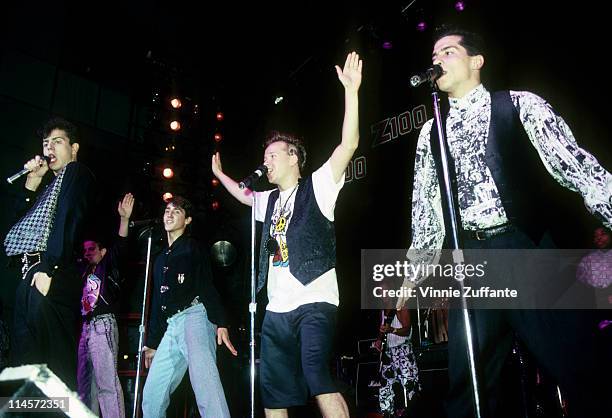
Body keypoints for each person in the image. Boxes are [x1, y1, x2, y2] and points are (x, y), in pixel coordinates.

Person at [406, 26, 612, 418]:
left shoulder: (520, 105)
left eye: (448, 51)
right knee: (467, 385)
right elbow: (425, 209)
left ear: (476, 61)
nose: (437, 60)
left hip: (525, 250)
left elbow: (578, 167)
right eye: (434, 54)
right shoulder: (431, 132)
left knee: (581, 368)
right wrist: (415, 272)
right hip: (474, 263)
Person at [211, 51, 362, 418]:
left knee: (316, 375)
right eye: (265, 156)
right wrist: (221, 176)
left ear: (294, 157)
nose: (267, 161)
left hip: (315, 300)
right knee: (274, 393)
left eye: (274, 155)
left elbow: (349, 146)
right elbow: (244, 195)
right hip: (276, 308)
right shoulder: (269, 201)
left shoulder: (319, 186)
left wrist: (352, 92)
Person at [3, 117, 96, 390]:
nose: (49, 148)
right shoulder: (48, 188)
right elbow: (15, 230)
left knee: (54, 365)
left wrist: (50, 269)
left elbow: (69, 220)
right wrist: (31, 184)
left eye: (57, 141)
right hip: (29, 274)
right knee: (25, 364)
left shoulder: (76, 173)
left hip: (52, 271)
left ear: (74, 148)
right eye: (46, 143)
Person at [141, 196, 237, 418]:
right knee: (152, 395)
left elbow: (206, 284)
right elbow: (158, 302)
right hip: (171, 325)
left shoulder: (193, 248)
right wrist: (152, 343)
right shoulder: (159, 258)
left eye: (177, 212)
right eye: (167, 210)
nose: (169, 214)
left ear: (188, 220)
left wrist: (220, 321)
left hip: (195, 316)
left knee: (206, 389)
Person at [77, 193, 134, 418]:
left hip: (103, 325)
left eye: (92, 249)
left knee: (107, 384)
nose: (87, 253)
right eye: (85, 250)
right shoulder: (82, 275)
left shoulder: (108, 267)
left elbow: (122, 247)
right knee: (85, 386)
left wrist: (124, 220)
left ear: (102, 252)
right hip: (86, 328)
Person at [374, 308, 420, 418]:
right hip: (389, 351)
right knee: (385, 388)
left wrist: (392, 330)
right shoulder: (383, 311)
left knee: (409, 386)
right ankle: (387, 413)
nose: (382, 294)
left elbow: (407, 330)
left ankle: (412, 412)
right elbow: (383, 329)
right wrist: (379, 339)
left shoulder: (400, 307)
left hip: (403, 351)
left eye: (384, 291)